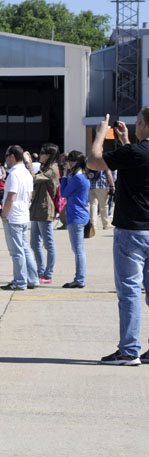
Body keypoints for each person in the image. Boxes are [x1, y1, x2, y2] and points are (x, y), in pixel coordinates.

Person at [89, 111, 149, 365]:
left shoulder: (135, 153)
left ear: (144, 124)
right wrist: (125, 141)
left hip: (132, 230)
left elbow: (94, 161)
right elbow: (138, 164)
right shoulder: (135, 152)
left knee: (130, 291)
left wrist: (102, 132)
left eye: (138, 121)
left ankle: (129, 349)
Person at [0, 145, 37, 291]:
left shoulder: (14, 174)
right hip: (23, 215)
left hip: (13, 216)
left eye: (7, 156)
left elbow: (11, 196)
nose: (6, 159)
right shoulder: (27, 173)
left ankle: (20, 281)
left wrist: (4, 213)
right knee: (25, 248)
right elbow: (30, 195)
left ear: (13, 156)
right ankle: (32, 278)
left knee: (17, 251)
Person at [59, 150, 90, 289]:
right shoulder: (82, 175)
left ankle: (80, 279)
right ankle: (79, 278)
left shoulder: (77, 178)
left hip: (76, 216)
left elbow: (64, 193)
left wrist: (64, 176)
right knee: (78, 249)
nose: (68, 163)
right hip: (80, 215)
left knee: (78, 250)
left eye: (70, 160)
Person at [30, 143, 60, 284]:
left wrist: (28, 163)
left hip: (45, 209)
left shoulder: (52, 169)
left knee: (48, 243)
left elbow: (34, 178)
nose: (40, 155)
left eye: (42, 153)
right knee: (34, 243)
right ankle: (41, 270)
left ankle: (48, 274)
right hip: (37, 208)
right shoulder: (45, 168)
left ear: (48, 155)